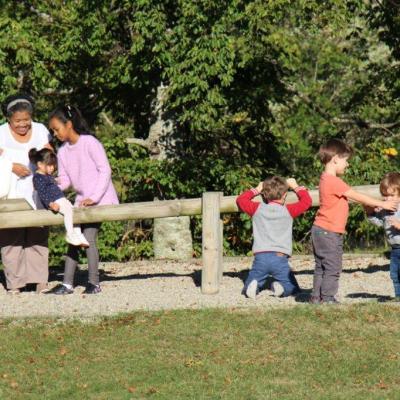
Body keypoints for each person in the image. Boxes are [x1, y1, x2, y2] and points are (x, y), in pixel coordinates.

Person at [310, 139, 398, 304]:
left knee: (321, 266)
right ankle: (328, 298)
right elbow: (355, 195)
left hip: (320, 229)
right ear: (335, 159)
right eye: (346, 160)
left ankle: (317, 297)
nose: (347, 164)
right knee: (332, 266)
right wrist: (382, 203)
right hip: (329, 232)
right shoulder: (333, 181)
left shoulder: (324, 179)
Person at [46, 105, 119, 295]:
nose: (55, 133)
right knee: (73, 239)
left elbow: (105, 171)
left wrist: (94, 198)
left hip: (100, 200)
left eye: (56, 129)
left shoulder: (90, 143)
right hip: (80, 204)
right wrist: (49, 186)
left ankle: (94, 282)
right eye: (52, 130)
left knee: (88, 238)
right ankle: (67, 284)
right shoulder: (62, 152)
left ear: (68, 124)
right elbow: (65, 180)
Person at [0, 94, 51, 294]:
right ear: (9, 119)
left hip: (37, 191)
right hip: (10, 194)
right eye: (18, 121)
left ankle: (39, 280)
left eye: (26, 120)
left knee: (37, 236)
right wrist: (10, 166)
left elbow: (49, 155)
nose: (23, 124)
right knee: (11, 238)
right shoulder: (1, 132)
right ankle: (16, 283)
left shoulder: (40, 130)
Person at [237, 176, 312, 299]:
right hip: (280, 257)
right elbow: (306, 201)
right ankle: (281, 288)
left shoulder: (257, 208)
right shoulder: (288, 210)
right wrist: (296, 186)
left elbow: (241, 200)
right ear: (284, 196)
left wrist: (257, 189)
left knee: (251, 282)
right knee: (292, 288)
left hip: (260, 256)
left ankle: (252, 286)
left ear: (265, 195)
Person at [28, 148, 90, 248]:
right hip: (55, 201)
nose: (52, 168)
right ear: (40, 164)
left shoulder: (47, 175)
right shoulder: (38, 177)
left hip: (61, 198)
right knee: (68, 212)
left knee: (74, 210)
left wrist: (56, 180)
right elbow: (42, 193)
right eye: (49, 165)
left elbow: (50, 182)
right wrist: (51, 204)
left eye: (53, 165)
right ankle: (70, 234)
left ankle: (77, 233)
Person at [365, 172, 400, 301]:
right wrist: (369, 212)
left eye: (392, 195)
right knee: (395, 274)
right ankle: (398, 297)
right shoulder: (386, 209)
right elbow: (379, 222)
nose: (387, 199)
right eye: (385, 195)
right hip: (395, 249)